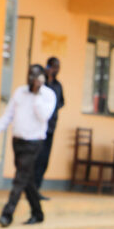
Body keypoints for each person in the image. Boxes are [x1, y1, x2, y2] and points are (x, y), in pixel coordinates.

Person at [0, 64, 56, 228]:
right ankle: (38, 213)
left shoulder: (48, 95)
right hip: (17, 142)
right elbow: (8, 114)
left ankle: (7, 215)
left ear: (41, 78)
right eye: (29, 75)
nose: (31, 78)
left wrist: (37, 94)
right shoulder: (19, 92)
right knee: (27, 179)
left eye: (35, 76)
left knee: (19, 179)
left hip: (34, 142)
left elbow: (44, 116)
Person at [33, 56, 65, 200]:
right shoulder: (41, 84)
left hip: (51, 128)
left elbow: (61, 102)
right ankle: (29, 188)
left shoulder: (58, 86)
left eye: (57, 67)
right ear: (47, 67)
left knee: (44, 160)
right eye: (53, 66)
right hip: (38, 128)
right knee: (34, 158)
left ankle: (36, 190)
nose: (55, 70)